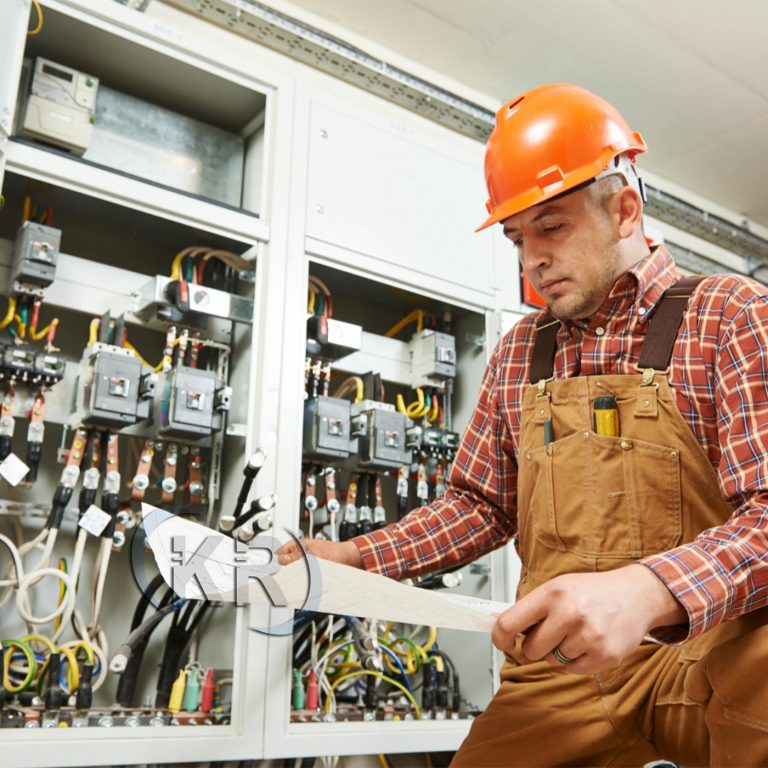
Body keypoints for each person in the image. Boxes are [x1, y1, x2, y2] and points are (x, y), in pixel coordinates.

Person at [279, 83, 768, 766]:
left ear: (624, 209)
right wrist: (357, 559)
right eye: (516, 238)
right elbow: (479, 505)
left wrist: (647, 592)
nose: (530, 259)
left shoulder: (729, 315)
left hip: (706, 651)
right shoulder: (519, 352)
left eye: (553, 226)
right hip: (562, 669)